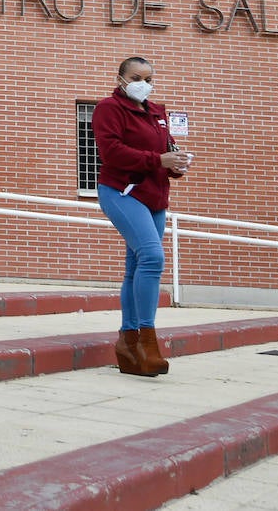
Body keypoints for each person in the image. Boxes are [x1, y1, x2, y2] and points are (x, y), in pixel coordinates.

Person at [92, 56, 192, 377]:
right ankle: (147, 342)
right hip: (122, 192)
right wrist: (158, 159)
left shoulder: (156, 113)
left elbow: (164, 152)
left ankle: (128, 342)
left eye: (149, 79)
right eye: (137, 77)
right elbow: (112, 153)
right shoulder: (109, 108)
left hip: (155, 197)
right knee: (151, 257)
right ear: (121, 78)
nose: (143, 84)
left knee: (135, 266)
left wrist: (174, 164)